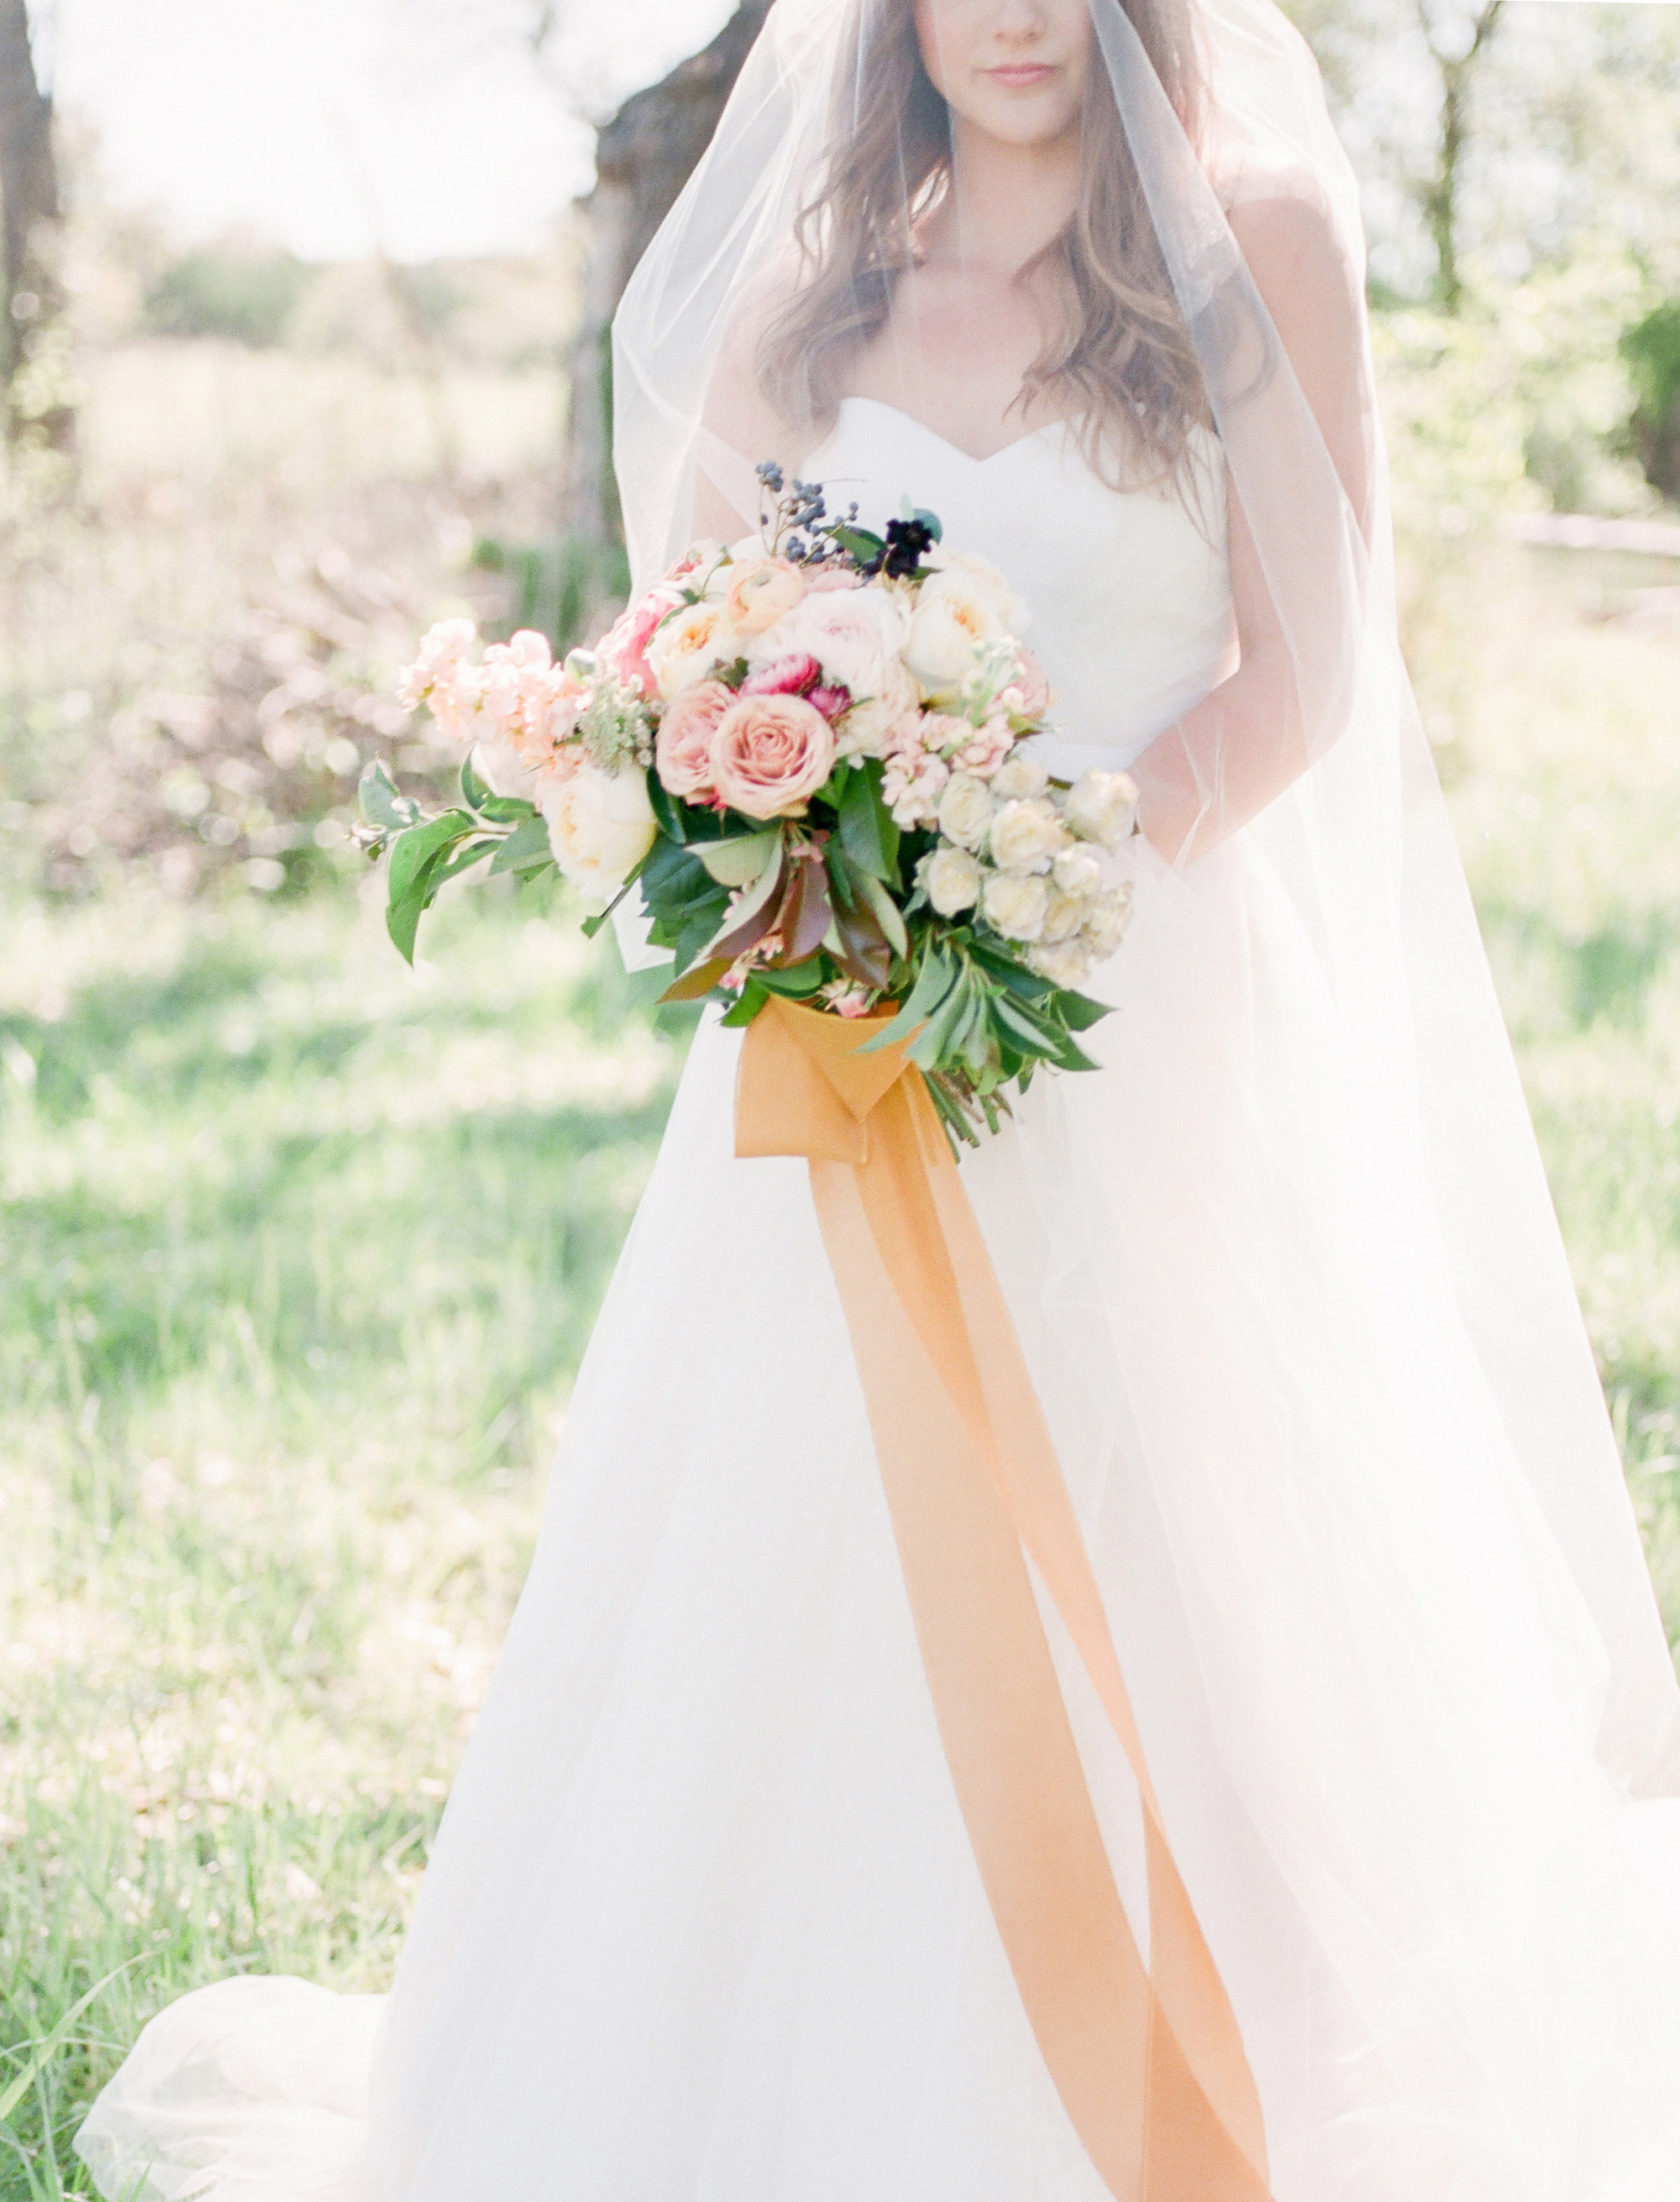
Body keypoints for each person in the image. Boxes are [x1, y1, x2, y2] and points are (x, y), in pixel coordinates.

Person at [78, 1, 1680, 2196]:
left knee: (1199, 1529)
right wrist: (816, 856)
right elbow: (687, 652)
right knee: (797, 1532)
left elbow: (1305, 672)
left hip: (1158, 1016)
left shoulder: (1253, 244)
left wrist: (1056, 864)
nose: (1016, 13)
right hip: (844, 1036)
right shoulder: (807, 296)